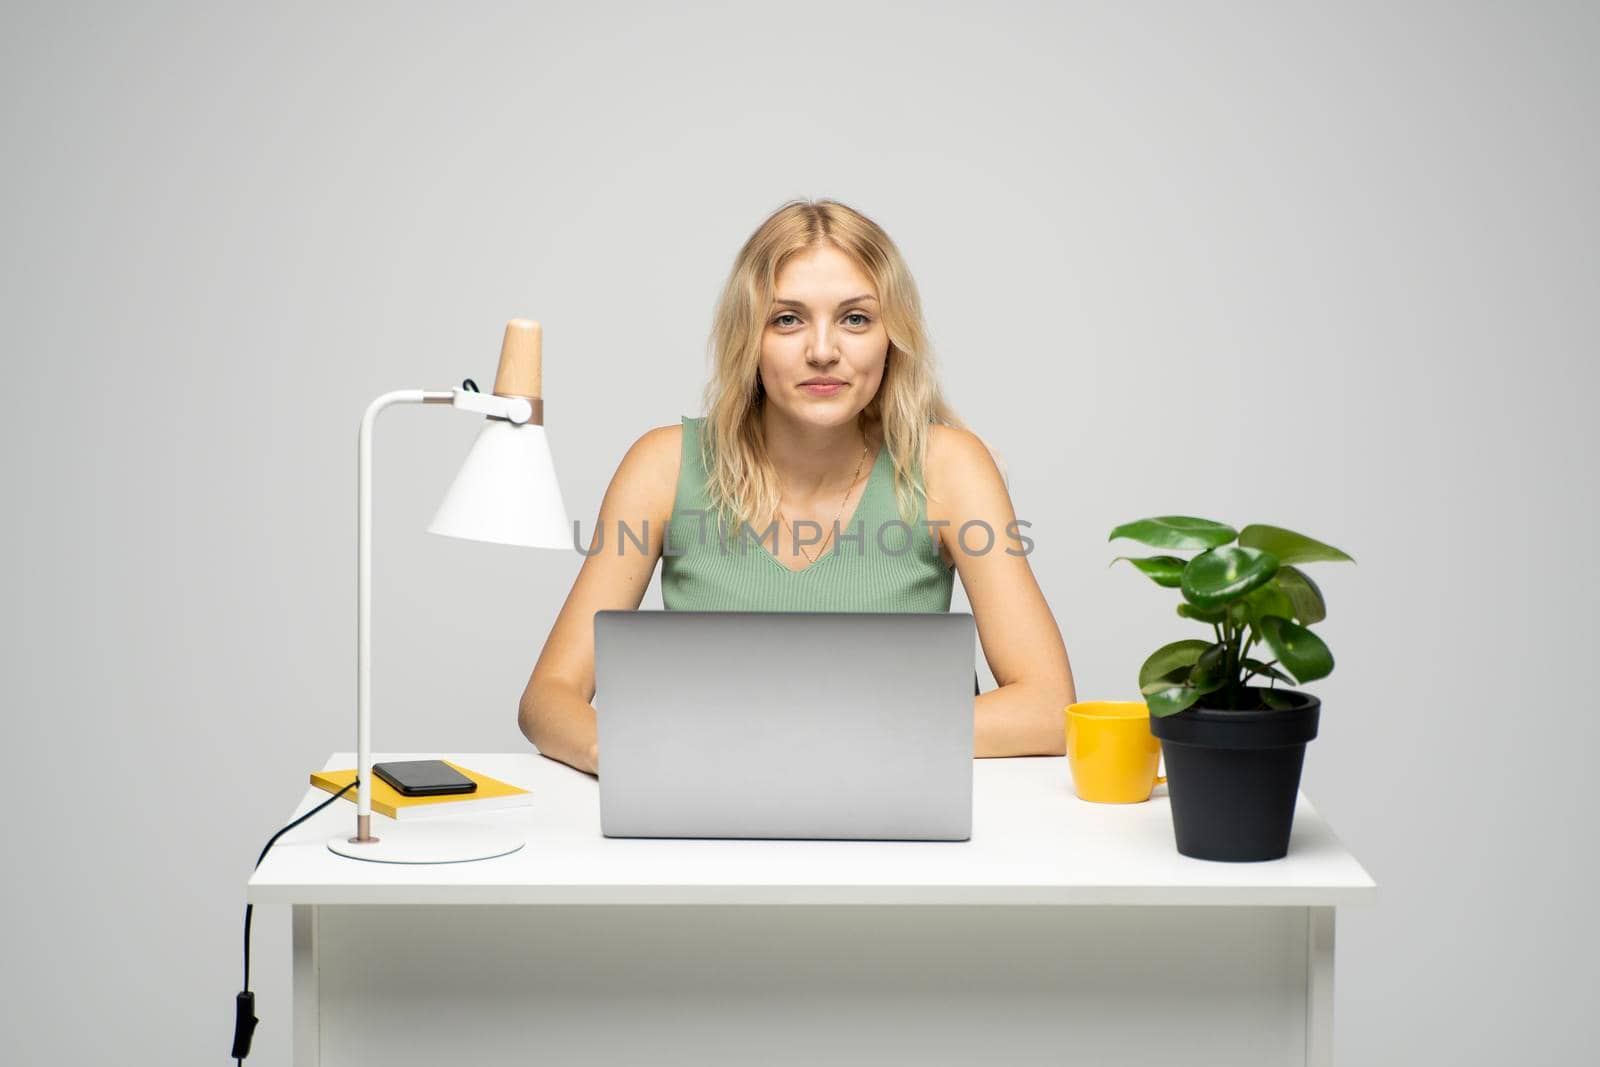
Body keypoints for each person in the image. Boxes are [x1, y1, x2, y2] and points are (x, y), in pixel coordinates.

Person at [520, 198, 1075, 776]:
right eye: (788, 319)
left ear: (893, 337)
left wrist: (808, 741)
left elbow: (1048, 708)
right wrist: (620, 751)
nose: (822, 351)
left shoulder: (948, 466)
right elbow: (547, 699)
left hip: (893, 809)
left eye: (855, 319)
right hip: (709, 805)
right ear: (749, 337)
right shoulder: (663, 465)